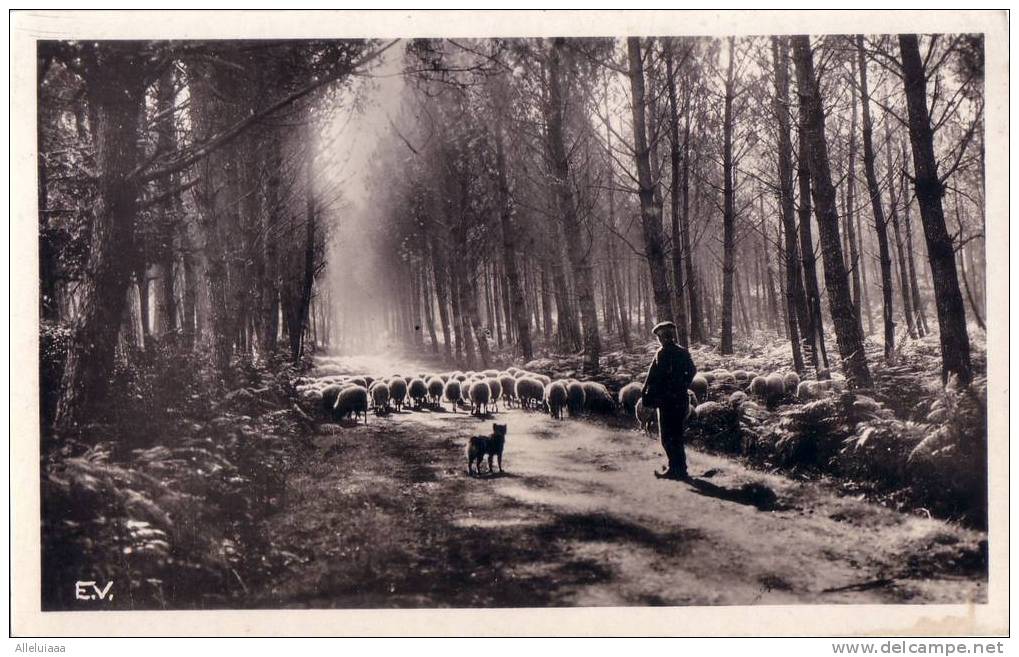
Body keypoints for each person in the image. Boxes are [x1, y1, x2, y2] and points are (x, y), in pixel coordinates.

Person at [640, 321, 697, 480]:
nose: (661, 339)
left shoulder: (663, 353)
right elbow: (692, 371)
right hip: (677, 399)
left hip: (667, 401)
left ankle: (675, 469)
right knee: (676, 434)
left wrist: (647, 391)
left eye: (662, 336)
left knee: (667, 435)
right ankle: (680, 468)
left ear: (665, 337)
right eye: (661, 336)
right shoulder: (680, 352)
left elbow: (653, 376)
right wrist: (683, 385)